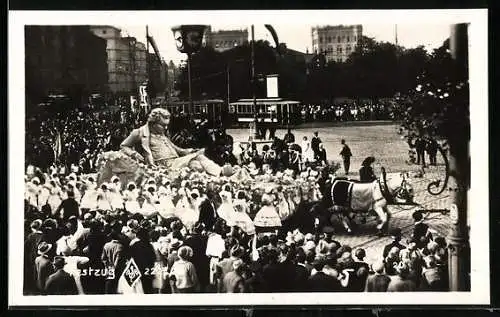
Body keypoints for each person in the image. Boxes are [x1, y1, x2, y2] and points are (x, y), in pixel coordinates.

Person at [119, 108, 224, 178]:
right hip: (162, 165)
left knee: (197, 163)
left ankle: (219, 176)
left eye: (166, 125)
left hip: (175, 162)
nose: (165, 128)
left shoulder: (162, 134)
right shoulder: (139, 132)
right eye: (162, 125)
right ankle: (222, 173)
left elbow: (177, 149)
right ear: (153, 123)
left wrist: (190, 151)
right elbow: (123, 146)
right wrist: (134, 154)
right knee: (198, 161)